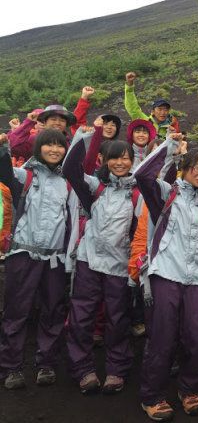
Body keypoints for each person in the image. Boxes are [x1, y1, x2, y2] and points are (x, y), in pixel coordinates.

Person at [134, 134, 198, 421]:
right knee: (163, 338)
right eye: (196, 167)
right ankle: (152, 396)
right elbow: (142, 174)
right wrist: (169, 147)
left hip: (195, 280)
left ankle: (189, 388)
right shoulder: (166, 193)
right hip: (165, 275)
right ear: (184, 168)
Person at [62, 127, 143, 394]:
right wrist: (84, 138)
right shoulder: (96, 187)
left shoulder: (136, 193)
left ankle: (116, 370)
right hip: (88, 261)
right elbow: (70, 170)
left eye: (126, 158)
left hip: (119, 266)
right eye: (114, 158)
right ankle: (83, 369)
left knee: (118, 320)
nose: (120, 162)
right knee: (81, 317)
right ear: (104, 161)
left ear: (133, 160)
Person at [0, 129, 71, 389]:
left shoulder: (67, 182)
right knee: (16, 311)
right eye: (49, 145)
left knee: (53, 310)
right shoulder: (25, 175)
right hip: (23, 253)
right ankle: (11, 368)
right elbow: (4, 173)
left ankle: (46, 363)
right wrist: (2, 150)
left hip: (54, 258)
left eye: (60, 145)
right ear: (39, 146)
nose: (54, 149)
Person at [8, 105, 76, 161]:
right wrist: (28, 122)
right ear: (44, 122)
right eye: (53, 119)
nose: (58, 123)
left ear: (66, 124)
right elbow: (13, 146)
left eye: (62, 120)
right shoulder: (35, 140)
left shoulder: (71, 144)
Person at [124, 72, 180, 139]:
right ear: (153, 111)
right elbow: (132, 107)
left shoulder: (173, 126)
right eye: (160, 109)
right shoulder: (145, 122)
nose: (163, 112)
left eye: (166, 109)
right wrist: (129, 86)